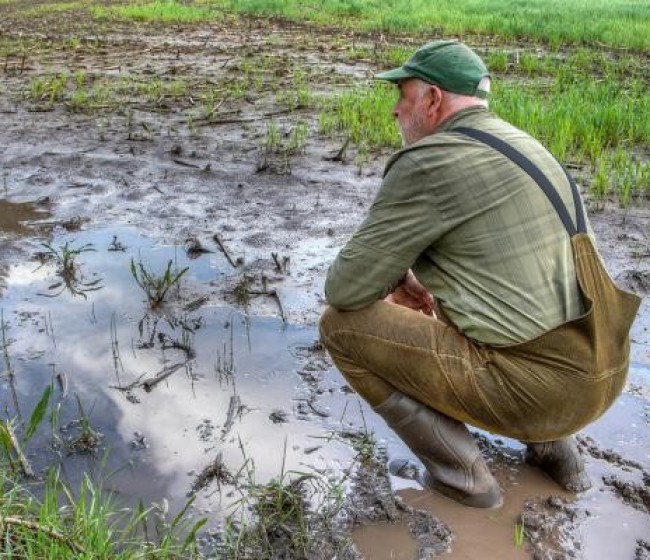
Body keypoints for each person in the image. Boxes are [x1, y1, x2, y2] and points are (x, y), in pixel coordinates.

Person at [319, 40, 640, 509]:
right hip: (605, 371)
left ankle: (465, 482)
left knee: (339, 326)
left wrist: (390, 278)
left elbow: (344, 288)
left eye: (402, 96)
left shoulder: (430, 161)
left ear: (432, 100)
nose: (394, 111)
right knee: (477, 289)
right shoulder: (523, 144)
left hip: (545, 393)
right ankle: (557, 455)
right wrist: (416, 277)